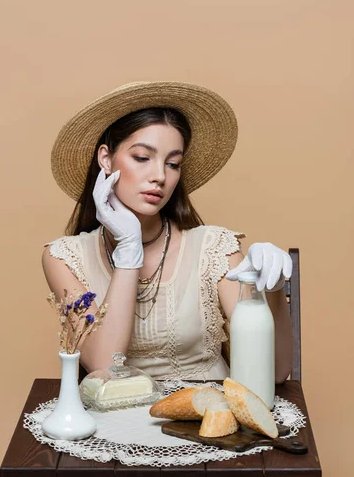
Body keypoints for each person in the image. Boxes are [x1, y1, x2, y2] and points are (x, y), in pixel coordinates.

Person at [42, 81, 293, 383]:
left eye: (173, 163)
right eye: (142, 158)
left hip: (209, 421)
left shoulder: (214, 248)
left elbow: (276, 373)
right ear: (105, 159)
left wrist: (273, 291)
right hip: (115, 424)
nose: (160, 176)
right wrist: (129, 247)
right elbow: (104, 368)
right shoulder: (64, 257)